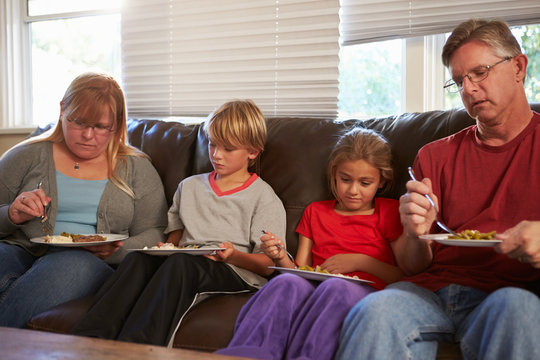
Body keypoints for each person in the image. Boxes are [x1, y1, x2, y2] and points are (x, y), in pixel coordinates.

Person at [335, 19, 540, 360]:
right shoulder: (434, 155)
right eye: (459, 81)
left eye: (480, 72)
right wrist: (415, 232)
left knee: (518, 308)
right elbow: (413, 266)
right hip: (428, 292)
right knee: (375, 310)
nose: (469, 89)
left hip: (509, 292)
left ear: (518, 66)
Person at [70, 99, 287, 346]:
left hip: (235, 270)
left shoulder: (264, 197)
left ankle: (137, 348)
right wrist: (166, 248)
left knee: (181, 264)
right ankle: (86, 342)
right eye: (213, 144)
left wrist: (232, 256)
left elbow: (269, 266)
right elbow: (176, 238)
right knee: (137, 259)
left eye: (228, 149)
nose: (216, 155)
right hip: (185, 259)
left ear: (252, 152)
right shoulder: (190, 186)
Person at [216, 127, 404, 360]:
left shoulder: (389, 212)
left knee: (335, 288)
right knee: (286, 282)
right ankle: (245, 355)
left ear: (381, 181)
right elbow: (301, 271)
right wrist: (280, 257)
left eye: (365, 183)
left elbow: (402, 276)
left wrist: (360, 261)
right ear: (334, 173)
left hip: (363, 291)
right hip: (315, 286)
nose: (353, 190)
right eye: (345, 180)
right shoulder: (315, 212)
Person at [0, 73, 168, 328]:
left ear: (117, 124)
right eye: (79, 122)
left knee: (73, 265)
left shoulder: (137, 168)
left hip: (87, 262)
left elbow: (155, 233)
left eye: (101, 127)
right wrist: (12, 214)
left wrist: (115, 250)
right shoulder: (25, 156)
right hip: (20, 249)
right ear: (62, 110)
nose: (88, 135)